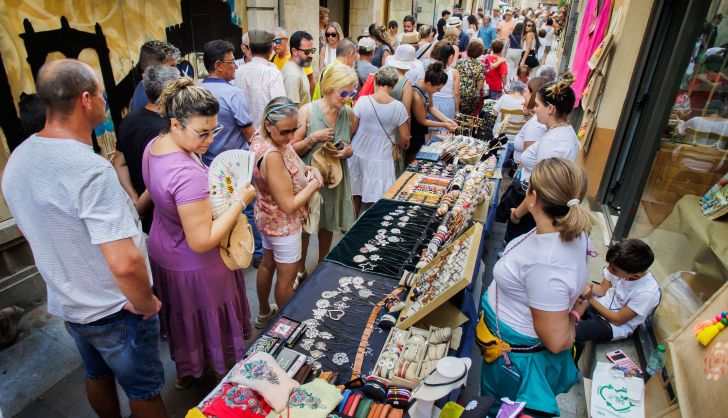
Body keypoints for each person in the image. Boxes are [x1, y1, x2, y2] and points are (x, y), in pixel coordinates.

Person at [2, 59, 167, 418]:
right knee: (145, 390)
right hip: (115, 308)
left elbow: (29, 231)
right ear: (86, 100)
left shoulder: (19, 158)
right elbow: (125, 262)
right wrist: (145, 303)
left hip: (70, 303)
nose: (106, 102)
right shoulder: (88, 169)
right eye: (103, 95)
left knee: (96, 374)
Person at [142, 78, 256, 388]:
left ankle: (187, 373)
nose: (209, 140)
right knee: (208, 318)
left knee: (185, 318)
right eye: (202, 133)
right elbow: (202, 239)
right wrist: (239, 202)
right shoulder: (187, 173)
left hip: (165, 248)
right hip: (196, 262)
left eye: (213, 130)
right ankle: (221, 379)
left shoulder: (155, 146)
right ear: (175, 124)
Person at [480, 157, 592, 417]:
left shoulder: (547, 262)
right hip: (510, 350)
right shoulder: (565, 231)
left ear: (533, 196)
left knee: (500, 409)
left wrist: (576, 314)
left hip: (516, 362)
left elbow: (556, 341)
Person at [252, 98, 324, 327]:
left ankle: (264, 313)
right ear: (268, 124)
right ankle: (286, 327)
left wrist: (309, 169)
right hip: (283, 224)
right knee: (287, 277)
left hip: (267, 217)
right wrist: (314, 184)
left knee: (267, 264)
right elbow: (289, 204)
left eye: (295, 129)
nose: (291, 136)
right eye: (286, 131)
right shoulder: (273, 155)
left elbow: (294, 167)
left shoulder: (262, 139)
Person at [199, 40, 263, 264]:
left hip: (206, 165)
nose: (235, 66)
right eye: (231, 62)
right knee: (247, 209)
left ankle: (224, 249)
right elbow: (249, 133)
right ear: (218, 65)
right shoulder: (233, 94)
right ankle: (255, 253)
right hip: (236, 169)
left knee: (218, 209)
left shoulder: (197, 90)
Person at [292, 64, 358, 273]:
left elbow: (349, 143)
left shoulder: (348, 113)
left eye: (352, 92)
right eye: (344, 92)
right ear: (329, 87)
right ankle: (300, 269)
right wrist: (313, 138)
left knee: (328, 224)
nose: (347, 97)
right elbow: (291, 150)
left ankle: (321, 265)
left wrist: (348, 151)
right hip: (310, 180)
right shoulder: (307, 112)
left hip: (335, 179)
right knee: (305, 225)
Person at [508, 73, 580, 243]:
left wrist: (517, 214)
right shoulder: (563, 133)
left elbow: (539, 189)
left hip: (534, 212)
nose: (534, 109)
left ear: (550, 109)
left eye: (538, 105)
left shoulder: (553, 142)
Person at [114, 65, 179, 233]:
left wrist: (134, 197)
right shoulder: (169, 128)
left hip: (141, 214)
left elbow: (119, 162)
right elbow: (157, 178)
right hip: (163, 214)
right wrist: (141, 207)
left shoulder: (128, 120)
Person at [575, 240, 660, 364]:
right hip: (601, 304)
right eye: (608, 265)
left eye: (613, 270)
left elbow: (618, 319)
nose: (608, 270)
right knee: (569, 302)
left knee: (577, 331)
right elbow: (603, 290)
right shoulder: (620, 267)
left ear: (635, 276)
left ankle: (570, 367)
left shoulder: (647, 293)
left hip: (613, 325)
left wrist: (590, 299)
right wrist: (581, 284)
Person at [349, 66, 410, 215]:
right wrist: (400, 145)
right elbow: (404, 137)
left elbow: (352, 129)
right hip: (381, 155)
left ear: (375, 81)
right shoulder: (398, 107)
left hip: (359, 150)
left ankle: (350, 224)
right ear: (393, 84)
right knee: (375, 195)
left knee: (355, 189)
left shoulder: (363, 101)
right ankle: (368, 224)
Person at [232, 29, 286, 133]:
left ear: (250, 50)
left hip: (243, 134)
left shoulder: (238, 71)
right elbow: (280, 108)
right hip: (265, 136)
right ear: (271, 50)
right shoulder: (273, 72)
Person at [409, 62, 459, 161]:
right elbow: (422, 121)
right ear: (429, 83)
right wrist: (444, 125)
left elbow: (431, 107)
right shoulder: (416, 95)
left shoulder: (427, 88)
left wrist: (447, 120)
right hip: (414, 131)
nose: (439, 91)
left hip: (420, 130)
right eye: (438, 89)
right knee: (413, 158)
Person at [130, 41, 180, 111]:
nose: (177, 71)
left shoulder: (143, 88)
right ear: (153, 71)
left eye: (175, 66)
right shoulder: (156, 100)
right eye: (171, 67)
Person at [282, 31, 316, 108]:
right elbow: (291, 110)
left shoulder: (299, 65)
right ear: (294, 51)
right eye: (307, 51)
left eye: (312, 51)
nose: (311, 55)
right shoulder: (292, 75)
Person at [431, 41, 460, 124]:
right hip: (448, 103)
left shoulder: (432, 69)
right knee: (446, 131)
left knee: (432, 129)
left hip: (433, 102)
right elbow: (456, 93)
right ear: (451, 57)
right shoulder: (454, 72)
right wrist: (457, 110)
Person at [455, 39, 487, 116]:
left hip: (457, 92)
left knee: (455, 114)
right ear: (480, 53)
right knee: (466, 117)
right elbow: (480, 85)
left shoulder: (460, 62)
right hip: (471, 95)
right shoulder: (481, 65)